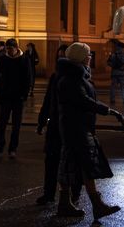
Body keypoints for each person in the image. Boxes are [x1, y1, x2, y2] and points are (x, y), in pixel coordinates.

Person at [56, 42, 124, 221]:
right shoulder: (71, 79)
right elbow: (84, 100)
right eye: (88, 55)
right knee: (84, 165)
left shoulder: (76, 76)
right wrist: (109, 111)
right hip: (76, 129)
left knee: (72, 165)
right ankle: (96, 204)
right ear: (80, 57)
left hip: (77, 128)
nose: (90, 57)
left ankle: (67, 204)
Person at [35, 44, 83, 205]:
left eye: (64, 56)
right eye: (59, 56)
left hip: (71, 128)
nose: (61, 59)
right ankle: (48, 194)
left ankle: (73, 195)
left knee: (73, 163)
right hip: (55, 126)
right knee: (51, 161)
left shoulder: (79, 77)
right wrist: (42, 121)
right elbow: (48, 100)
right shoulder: (56, 77)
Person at [0, 38, 31, 159]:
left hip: (18, 97)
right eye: (7, 49)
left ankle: (12, 148)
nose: (9, 51)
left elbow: (28, 78)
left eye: (11, 49)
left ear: (16, 48)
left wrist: (24, 94)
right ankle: (0, 147)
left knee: (16, 125)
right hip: (5, 96)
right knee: (2, 123)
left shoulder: (24, 59)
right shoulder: (3, 59)